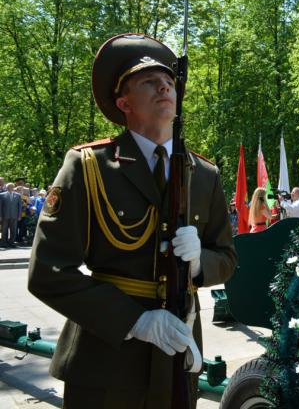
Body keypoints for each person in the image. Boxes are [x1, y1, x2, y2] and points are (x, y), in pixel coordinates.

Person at [27, 33, 237, 408]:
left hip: (177, 354)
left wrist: (199, 263)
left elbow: (226, 257)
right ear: (124, 103)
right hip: (107, 360)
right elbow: (48, 271)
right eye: (149, 82)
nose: (164, 87)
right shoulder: (89, 166)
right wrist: (135, 321)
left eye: (169, 82)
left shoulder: (204, 174)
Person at [1, 182, 23, 247]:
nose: (10, 188)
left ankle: (12, 242)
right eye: (9, 187)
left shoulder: (18, 195)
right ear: (7, 187)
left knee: (13, 229)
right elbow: (0, 206)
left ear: (13, 187)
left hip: (14, 216)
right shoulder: (1, 195)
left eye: (12, 187)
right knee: (4, 230)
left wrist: (19, 215)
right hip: (5, 215)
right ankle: (4, 243)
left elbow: (20, 206)